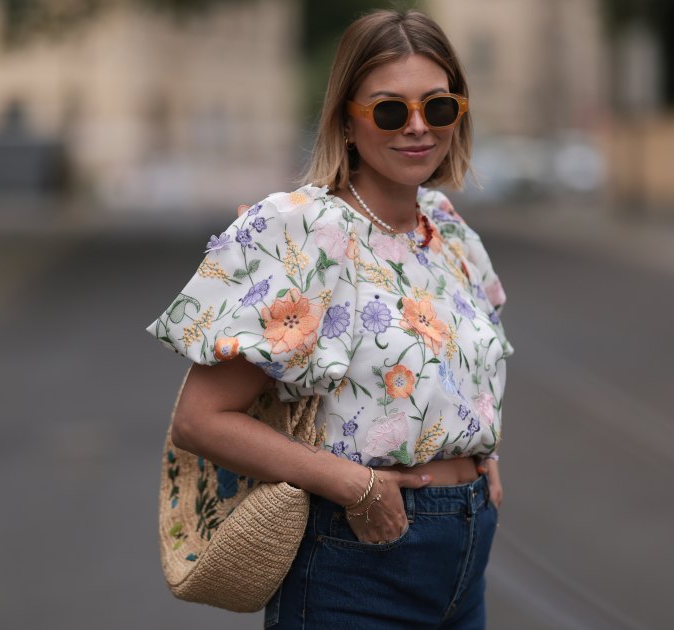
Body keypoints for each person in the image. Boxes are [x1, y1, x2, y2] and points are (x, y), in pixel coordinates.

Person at [146, 10, 512, 628]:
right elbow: (199, 421)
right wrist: (354, 487)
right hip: (358, 559)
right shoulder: (306, 229)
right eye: (391, 110)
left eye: (439, 107)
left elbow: (460, 374)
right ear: (347, 117)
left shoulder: (448, 230)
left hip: (467, 552)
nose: (418, 127)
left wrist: (482, 459)